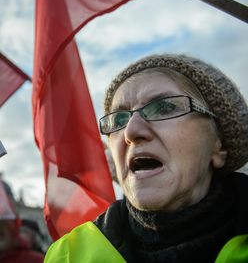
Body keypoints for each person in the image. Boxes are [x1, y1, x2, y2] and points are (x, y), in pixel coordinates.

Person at [44, 54, 248, 262]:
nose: (131, 131)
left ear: (219, 145)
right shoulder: (67, 255)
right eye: (119, 119)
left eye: (164, 107)